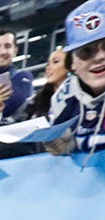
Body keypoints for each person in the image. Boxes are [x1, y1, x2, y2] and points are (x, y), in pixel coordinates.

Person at [46, 0, 105, 155]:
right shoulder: (63, 98)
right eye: (86, 51)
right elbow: (57, 146)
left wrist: (78, 142)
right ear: (72, 63)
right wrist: (60, 146)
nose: (99, 57)